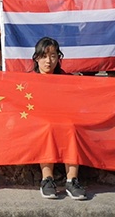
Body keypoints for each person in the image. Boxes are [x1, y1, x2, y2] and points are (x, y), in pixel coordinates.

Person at [32, 37, 87, 200]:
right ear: (36, 58)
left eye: (53, 55)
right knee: (47, 126)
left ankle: (72, 180)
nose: (48, 61)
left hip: (64, 121)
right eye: (44, 56)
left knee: (71, 127)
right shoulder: (27, 80)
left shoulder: (67, 79)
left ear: (59, 57)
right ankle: (47, 179)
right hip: (39, 123)